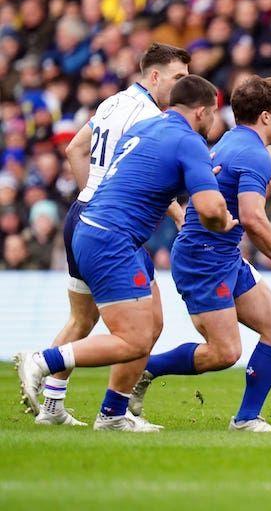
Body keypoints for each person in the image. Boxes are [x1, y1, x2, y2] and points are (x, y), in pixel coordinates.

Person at [15, 75, 237, 432]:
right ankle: (43, 361)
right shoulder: (189, 140)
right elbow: (211, 210)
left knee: (147, 327)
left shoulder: (148, 126)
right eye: (212, 113)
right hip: (112, 238)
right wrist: (224, 219)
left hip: (94, 225)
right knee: (132, 339)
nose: (213, 121)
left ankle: (112, 414)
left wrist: (193, 177)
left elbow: (143, 175)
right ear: (201, 111)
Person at [128, 76, 271, 432]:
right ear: (265, 116)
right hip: (204, 259)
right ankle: (143, 369)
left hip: (221, 255)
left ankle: (246, 418)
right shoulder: (254, 155)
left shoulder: (230, 140)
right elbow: (253, 218)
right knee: (224, 352)